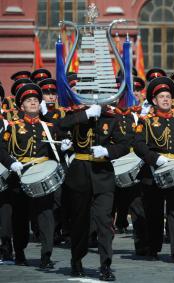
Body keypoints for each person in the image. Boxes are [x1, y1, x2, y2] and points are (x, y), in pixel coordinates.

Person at [1, 83, 69, 268]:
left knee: (46, 216)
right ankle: (20, 252)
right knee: (20, 217)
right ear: (21, 106)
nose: (33, 103)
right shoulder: (13, 127)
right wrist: (11, 163)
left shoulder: (49, 127)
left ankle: (46, 256)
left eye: (36, 100)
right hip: (19, 175)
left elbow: (58, 149)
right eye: (28, 100)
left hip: (42, 176)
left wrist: (64, 149)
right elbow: (2, 149)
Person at [59, 99, 128, 280]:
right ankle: (76, 259)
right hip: (79, 173)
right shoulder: (75, 115)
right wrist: (85, 115)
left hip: (103, 175)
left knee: (104, 222)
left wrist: (107, 152)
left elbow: (124, 144)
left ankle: (105, 265)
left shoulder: (111, 118)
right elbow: (58, 126)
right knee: (80, 222)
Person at [133, 76, 174, 263]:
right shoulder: (146, 120)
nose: (165, 99)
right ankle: (153, 248)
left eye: (168, 96)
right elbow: (138, 144)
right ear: (154, 101)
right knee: (154, 212)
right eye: (161, 96)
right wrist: (155, 159)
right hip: (154, 172)